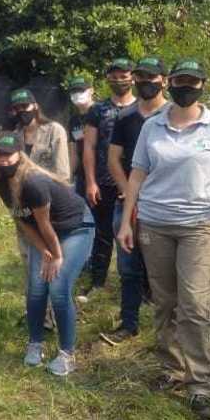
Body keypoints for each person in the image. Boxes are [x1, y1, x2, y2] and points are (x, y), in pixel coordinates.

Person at [117, 59, 210, 420]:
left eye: (192, 82)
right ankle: (171, 369)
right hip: (154, 225)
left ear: (202, 84)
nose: (185, 87)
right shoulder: (152, 126)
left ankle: (200, 383)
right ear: (169, 83)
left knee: (196, 306)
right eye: (180, 81)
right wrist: (127, 223)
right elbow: (137, 176)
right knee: (165, 303)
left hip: (200, 226)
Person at [0, 133, 95, 376]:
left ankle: (67, 354)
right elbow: (23, 221)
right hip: (44, 233)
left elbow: (44, 223)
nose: (3, 160)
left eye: (8, 155)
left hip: (76, 228)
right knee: (36, 287)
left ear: (20, 155)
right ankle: (35, 343)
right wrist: (43, 250)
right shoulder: (0, 183)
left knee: (58, 287)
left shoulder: (33, 182)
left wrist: (56, 256)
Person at [101, 57, 169, 345]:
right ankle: (129, 324)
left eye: (151, 77)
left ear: (163, 80)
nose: (145, 83)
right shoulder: (126, 117)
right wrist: (128, 191)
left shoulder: (173, 114)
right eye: (140, 77)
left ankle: (167, 331)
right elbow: (114, 159)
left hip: (164, 205)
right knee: (127, 267)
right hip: (127, 203)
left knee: (163, 271)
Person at [7, 87, 69, 328]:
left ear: (35, 105)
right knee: (29, 261)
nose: (23, 111)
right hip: (23, 209)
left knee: (51, 260)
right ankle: (36, 311)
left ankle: (53, 315)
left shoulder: (54, 131)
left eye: (26, 106)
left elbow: (62, 173)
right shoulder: (14, 135)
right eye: (18, 108)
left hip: (49, 206)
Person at [81, 58, 136, 300]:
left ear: (133, 77)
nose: (119, 80)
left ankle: (139, 286)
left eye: (123, 75)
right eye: (113, 76)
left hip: (135, 182)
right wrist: (90, 181)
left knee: (137, 236)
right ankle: (98, 282)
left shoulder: (142, 108)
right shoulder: (98, 110)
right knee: (103, 234)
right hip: (103, 181)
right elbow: (89, 147)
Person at [65, 76, 95, 197]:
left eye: (81, 90)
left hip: (103, 175)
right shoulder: (74, 121)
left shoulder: (101, 111)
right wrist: (69, 176)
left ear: (91, 91)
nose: (77, 94)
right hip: (81, 177)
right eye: (74, 91)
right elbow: (74, 153)